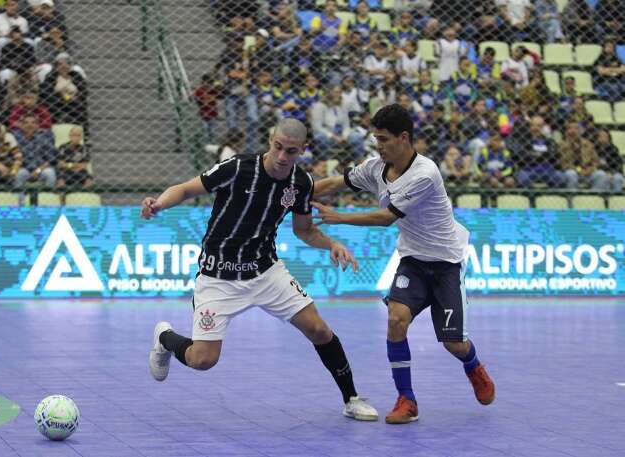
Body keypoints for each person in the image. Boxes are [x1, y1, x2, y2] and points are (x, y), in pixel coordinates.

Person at [141, 118, 378, 421]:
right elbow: (186, 189)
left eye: (290, 151)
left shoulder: (300, 183)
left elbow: (304, 231)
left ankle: (351, 398)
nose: (282, 156)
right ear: (270, 141)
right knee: (202, 360)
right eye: (278, 147)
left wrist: (330, 243)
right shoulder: (237, 168)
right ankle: (165, 338)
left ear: (302, 150)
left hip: (265, 272)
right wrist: (159, 204)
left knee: (319, 329)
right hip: (219, 276)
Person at [312, 104, 495, 424]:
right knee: (396, 320)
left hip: (445, 263)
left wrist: (338, 217)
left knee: (454, 343)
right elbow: (337, 182)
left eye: (383, 139)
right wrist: (296, 191)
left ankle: (474, 366)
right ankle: (406, 400)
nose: (378, 145)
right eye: (375, 139)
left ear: (404, 138)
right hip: (412, 259)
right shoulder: (375, 167)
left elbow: (385, 219)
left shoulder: (425, 173)